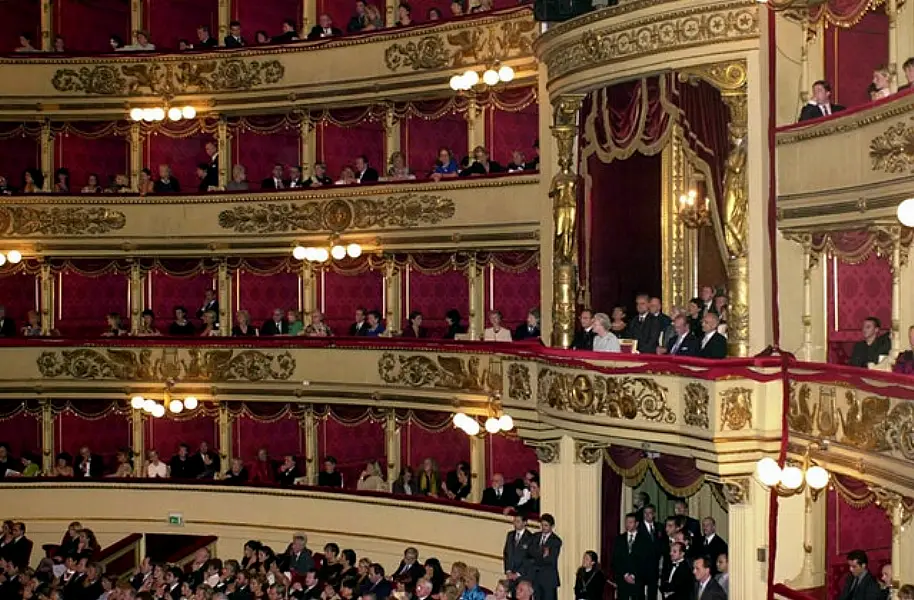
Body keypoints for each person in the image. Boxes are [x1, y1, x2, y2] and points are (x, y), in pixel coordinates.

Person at [612, 513, 649, 600]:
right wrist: (625, 574)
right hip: (622, 580)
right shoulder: (619, 539)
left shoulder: (644, 540)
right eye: (627, 522)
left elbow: (646, 561)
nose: (628, 524)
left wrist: (634, 576)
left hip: (638, 580)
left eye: (630, 522)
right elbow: (616, 560)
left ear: (636, 524)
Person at [529, 514, 561, 600]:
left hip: (548, 579)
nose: (543, 527)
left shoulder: (556, 540)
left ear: (552, 526)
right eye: (542, 525)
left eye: (546, 525)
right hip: (536, 578)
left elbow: (550, 560)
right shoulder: (535, 536)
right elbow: (530, 552)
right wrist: (542, 553)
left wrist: (537, 555)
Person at [503, 514, 533, 583]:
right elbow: (506, 553)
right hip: (510, 575)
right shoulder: (510, 535)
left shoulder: (530, 538)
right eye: (514, 521)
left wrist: (517, 574)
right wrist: (508, 570)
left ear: (524, 523)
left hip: (523, 576)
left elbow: (529, 559)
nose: (515, 523)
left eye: (518, 521)